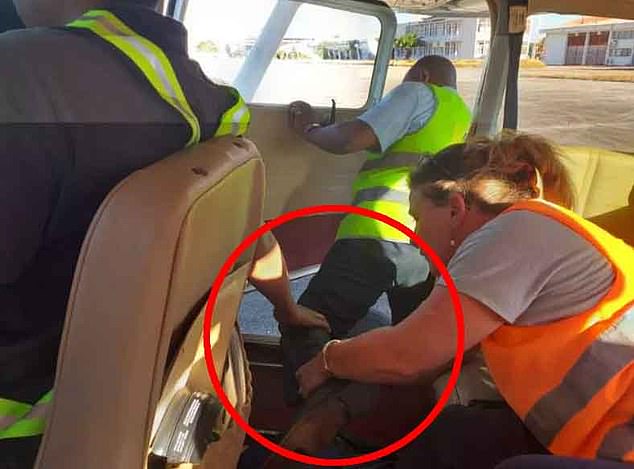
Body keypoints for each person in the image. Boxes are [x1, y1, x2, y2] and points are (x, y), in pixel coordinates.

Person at [0, 1, 325, 467]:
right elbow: (252, 237)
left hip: (27, 430)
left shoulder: (22, 74)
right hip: (143, 412)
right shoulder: (211, 103)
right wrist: (287, 310)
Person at [295, 133, 633, 467]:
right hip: (598, 442)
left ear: (456, 210)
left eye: (417, 217)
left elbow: (409, 353)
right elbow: (437, 364)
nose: (413, 237)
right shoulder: (533, 238)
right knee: (456, 435)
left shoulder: (516, 229)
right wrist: (340, 409)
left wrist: (327, 359)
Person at [275, 55, 472, 452]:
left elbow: (351, 138)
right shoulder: (461, 115)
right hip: (422, 244)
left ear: (423, 74)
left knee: (305, 321)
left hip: (374, 232)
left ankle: (319, 411)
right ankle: (368, 420)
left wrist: (310, 129)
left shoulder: (418, 93)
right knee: (409, 343)